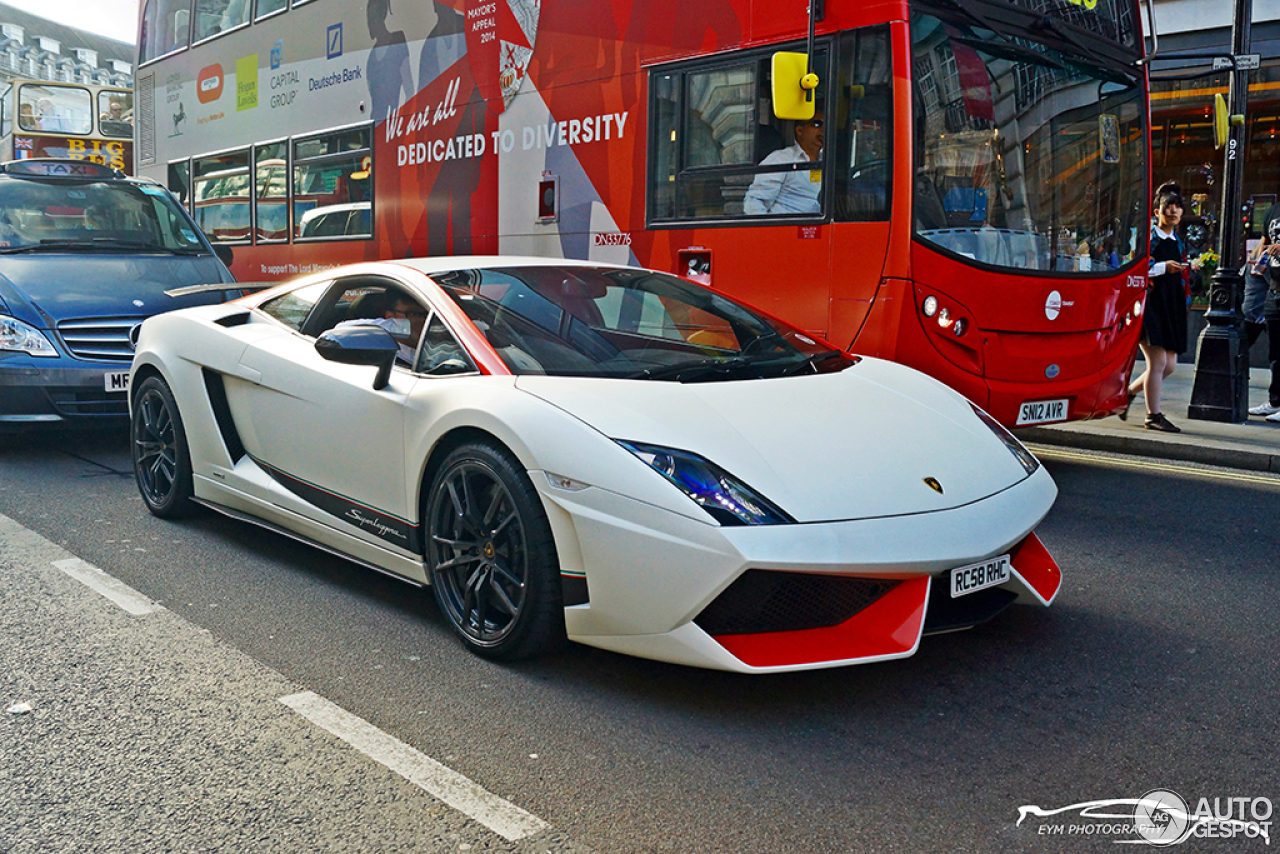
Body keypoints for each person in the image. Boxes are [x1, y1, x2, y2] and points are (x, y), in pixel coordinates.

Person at [1124, 182, 1188, 432]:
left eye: (1177, 207)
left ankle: (1127, 394)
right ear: (1157, 212)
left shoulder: (1177, 241)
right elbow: (1135, 268)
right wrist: (1164, 268)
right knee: (1158, 362)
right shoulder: (1148, 238)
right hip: (1150, 304)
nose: (1172, 211)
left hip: (1170, 305)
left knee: (1169, 365)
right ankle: (1154, 415)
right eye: (1167, 207)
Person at [743, 112, 824, 215]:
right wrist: (771, 230)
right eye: (817, 124)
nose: (823, 129)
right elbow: (754, 202)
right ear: (800, 131)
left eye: (826, 126)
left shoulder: (828, 164)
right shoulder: (782, 159)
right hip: (787, 228)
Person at [1247, 199, 1280, 421]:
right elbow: (1265, 241)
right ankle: (1275, 402)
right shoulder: (1272, 211)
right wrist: (1256, 258)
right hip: (1274, 288)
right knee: (1276, 352)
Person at [336, 293, 427, 365]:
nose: (425, 320)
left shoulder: (436, 347)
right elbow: (340, 330)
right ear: (391, 317)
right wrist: (392, 326)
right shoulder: (382, 352)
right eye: (416, 314)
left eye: (428, 314)